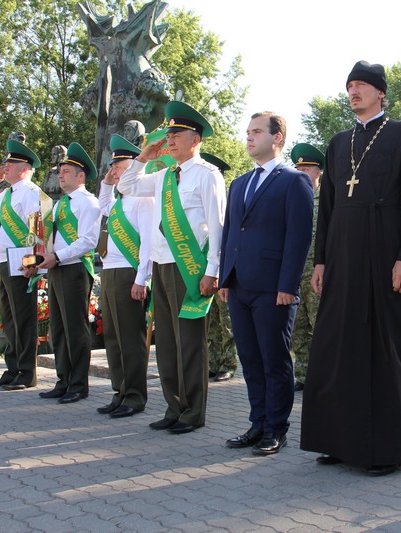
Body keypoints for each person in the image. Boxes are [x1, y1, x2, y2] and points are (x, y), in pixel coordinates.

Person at [300, 61, 401, 476]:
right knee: (338, 347)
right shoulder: (338, 143)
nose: (353, 91)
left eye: (361, 86)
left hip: (385, 249)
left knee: (381, 347)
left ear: (380, 92)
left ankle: (384, 449)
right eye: (349, 86)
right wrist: (321, 260)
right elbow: (329, 210)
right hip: (341, 253)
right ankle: (336, 440)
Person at [118, 101, 226, 435]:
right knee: (165, 342)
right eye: (169, 133)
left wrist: (213, 270)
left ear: (195, 139)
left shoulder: (208, 175)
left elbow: (217, 225)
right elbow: (126, 186)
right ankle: (174, 406)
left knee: (189, 342)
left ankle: (193, 412)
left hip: (189, 267)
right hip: (163, 265)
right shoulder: (163, 174)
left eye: (177, 133)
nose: (171, 139)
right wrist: (143, 157)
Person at [219, 112, 314, 456]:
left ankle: (277, 428)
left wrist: (288, 284)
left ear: (277, 138)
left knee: (274, 359)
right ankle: (257, 423)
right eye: (247, 132)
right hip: (240, 285)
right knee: (250, 359)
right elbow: (231, 232)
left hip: (275, 288)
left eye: (256, 132)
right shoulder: (240, 183)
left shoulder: (294, 181)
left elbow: (299, 237)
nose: (249, 137)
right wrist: (225, 276)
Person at [34, 142, 101, 404]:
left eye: (66, 171)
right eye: (60, 171)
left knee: (75, 328)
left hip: (74, 269)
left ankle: (78, 384)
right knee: (58, 328)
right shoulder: (60, 204)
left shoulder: (89, 203)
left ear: (80, 176)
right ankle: (63, 380)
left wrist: (56, 256)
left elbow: (88, 241)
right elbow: (50, 238)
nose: (60, 175)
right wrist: (37, 259)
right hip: (57, 268)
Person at [95, 134, 155, 418]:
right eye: (114, 167)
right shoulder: (119, 200)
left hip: (129, 272)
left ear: (133, 167)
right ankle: (119, 390)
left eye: (119, 167)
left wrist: (141, 278)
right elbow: (101, 207)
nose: (114, 171)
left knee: (130, 337)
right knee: (113, 337)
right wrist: (107, 183)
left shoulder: (142, 198)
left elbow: (147, 242)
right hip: (109, 271)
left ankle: (134, 396)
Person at [0, 139, 42, 391]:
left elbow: (35, 230)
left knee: (23, 318)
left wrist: (32, 263)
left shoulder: (30, 193)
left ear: (25, 169)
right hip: (3, 261)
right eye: (6, 163)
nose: (6, 167)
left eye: (11, 163)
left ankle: (27, 373)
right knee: (8, 317)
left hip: (19, 263)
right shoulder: (6, 194)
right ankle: (13, 368)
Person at [289, 143, 324, 391]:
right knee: (298, 329)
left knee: (321, 326)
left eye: (307, 168)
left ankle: (325, 376)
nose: (302, 172)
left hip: (318, 275)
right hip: (293, 274)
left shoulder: (328, 200)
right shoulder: (291, 197)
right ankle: (303, 374)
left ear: (318, 172)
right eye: (298, 167)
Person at [201, 153, 238, 382]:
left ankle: (228, 363)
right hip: (204, 268)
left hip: (224, 271)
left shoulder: (229, 204)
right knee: (210, 321)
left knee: (226, 322)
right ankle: (212, 363)